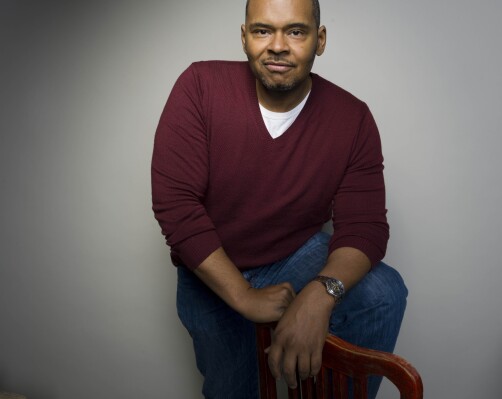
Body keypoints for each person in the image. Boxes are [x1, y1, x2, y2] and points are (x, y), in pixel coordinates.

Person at [151, 0, 408, 397]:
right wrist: (243, 296)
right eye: (262, 30)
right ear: (244, 37)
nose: (277, 46)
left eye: (295, 31)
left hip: (294, 255)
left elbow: (365, 227)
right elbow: (176, 204)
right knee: (236, 391)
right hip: (213, 268)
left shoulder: (353, 118)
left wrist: (320, 296)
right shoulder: (201, 86)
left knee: (383, 291)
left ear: (319, 40)